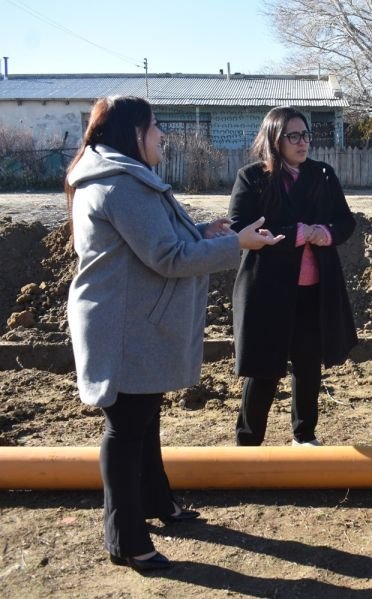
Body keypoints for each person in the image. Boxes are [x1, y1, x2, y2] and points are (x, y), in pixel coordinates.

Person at [66, 96, 284, 572]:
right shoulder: (121, 186)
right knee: (126, 429)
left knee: (144, 419)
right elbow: (168, 258)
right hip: (123, 328)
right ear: (133, 133)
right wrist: (238, 245)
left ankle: (156, 501)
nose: (162, 134)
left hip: (131, 322)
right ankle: (126, 540)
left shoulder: (122, 177)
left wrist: (204, 232)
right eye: (155, 125)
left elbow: (156, 242)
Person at [229, 106, 357, 447]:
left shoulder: (323, 175)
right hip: (267, 290)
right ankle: (247, 443)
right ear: (275, 139)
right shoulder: (252, 178)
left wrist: (325, 233)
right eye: (294, 136)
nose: (303, 143)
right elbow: (240, 228)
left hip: (313, 288)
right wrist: (296, 233)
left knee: (308, 365)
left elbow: (346, 221)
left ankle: (304, 436)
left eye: (306, 135)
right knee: (264, 370)